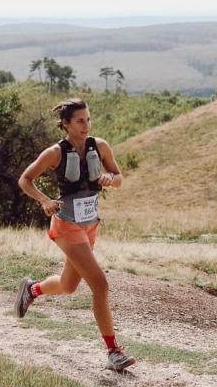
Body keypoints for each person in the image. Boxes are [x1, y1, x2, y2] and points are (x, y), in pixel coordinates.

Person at [14, 97, 136, 372]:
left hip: (90, 224)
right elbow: (25, 179)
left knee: (69, 286)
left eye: (88, 119)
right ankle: (113, 351)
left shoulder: (100, 146)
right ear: (66, 124)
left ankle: (31, 290)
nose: (86, 125)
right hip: (66, 225)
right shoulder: (55, 153)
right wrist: (44, 200)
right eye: (80, 121)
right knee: (100, 285)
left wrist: (110, 179)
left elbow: (119, 177)